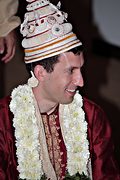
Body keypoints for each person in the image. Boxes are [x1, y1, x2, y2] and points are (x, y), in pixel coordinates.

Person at [0, 0, 120, 179]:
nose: (80, 81)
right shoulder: (3, 120)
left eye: (81, 69)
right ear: (40, 73)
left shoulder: (92, 116)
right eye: (71, 71)